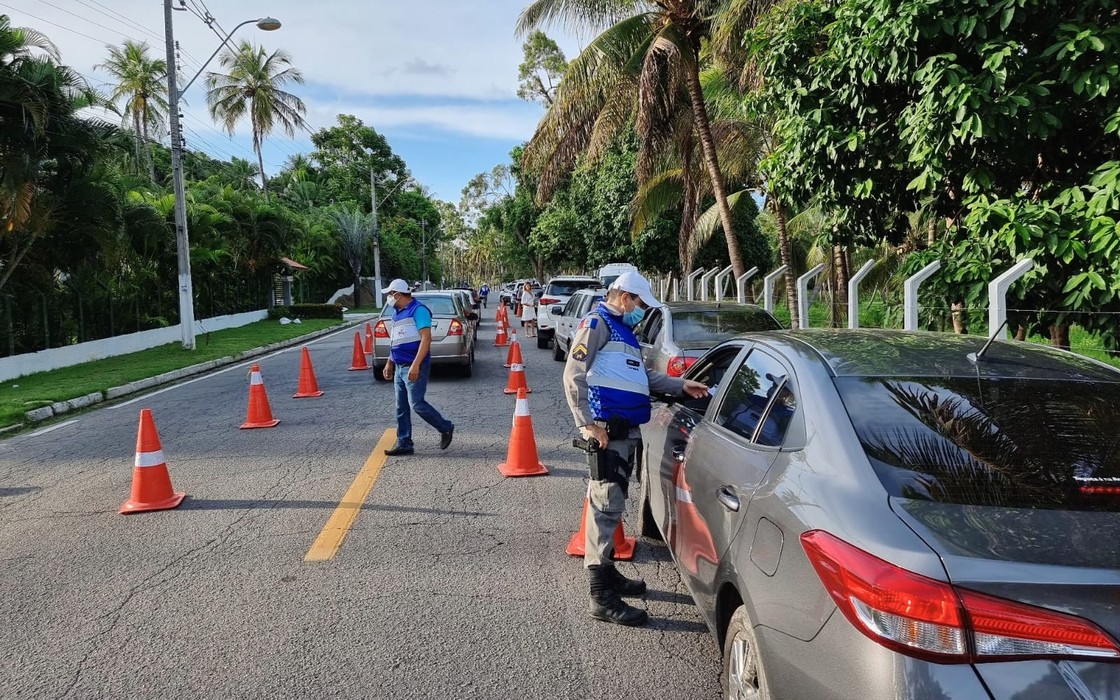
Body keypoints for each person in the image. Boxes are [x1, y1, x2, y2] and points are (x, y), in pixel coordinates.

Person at [562, 270, 708, 626]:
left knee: (613, 505)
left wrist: (679, 385)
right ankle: (601, 596)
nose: (642, 310)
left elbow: (641, 377)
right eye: (641, 303)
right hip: (606, 432)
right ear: (625, 297)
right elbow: (573, 375)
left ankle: (609, 574)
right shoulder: (596, 324)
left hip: (624, 431)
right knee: (604, 506)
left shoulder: (624, 331)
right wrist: (588, 424)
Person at [380, 279, 454, 456]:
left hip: (414, 366)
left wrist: (415, 365)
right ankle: (405, 443)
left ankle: (446, 427)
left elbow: (426, 339)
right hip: (399, 365)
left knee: (417, 404)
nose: (388, 298)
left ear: (398, 294)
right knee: (401, 407)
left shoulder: (419, 310)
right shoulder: (397, 313)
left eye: (390, 294)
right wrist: (390, 363)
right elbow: (395, 341)